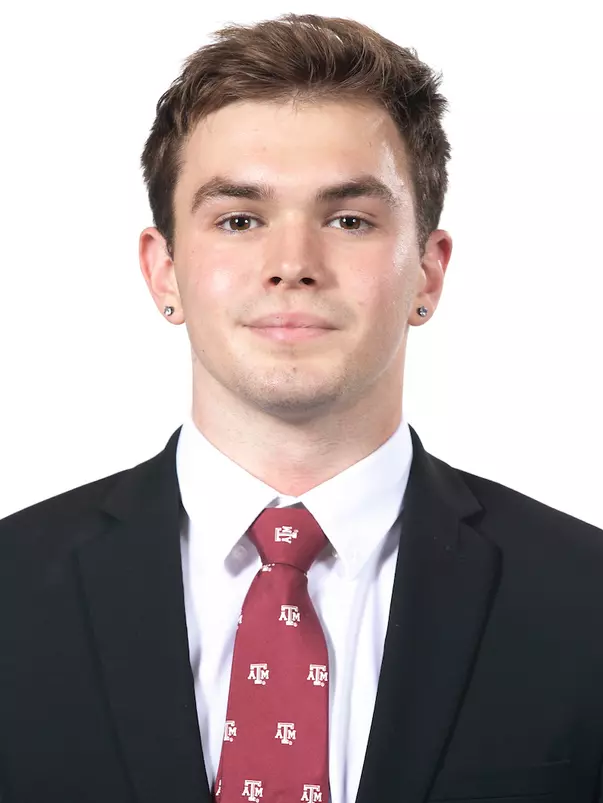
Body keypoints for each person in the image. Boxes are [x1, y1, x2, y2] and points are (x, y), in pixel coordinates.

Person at [0, 11, 602, 803]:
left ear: (426, 271)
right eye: (240, 219)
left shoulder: (584, 602)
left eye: (348, 219)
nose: (291, 264)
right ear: (164, 272)